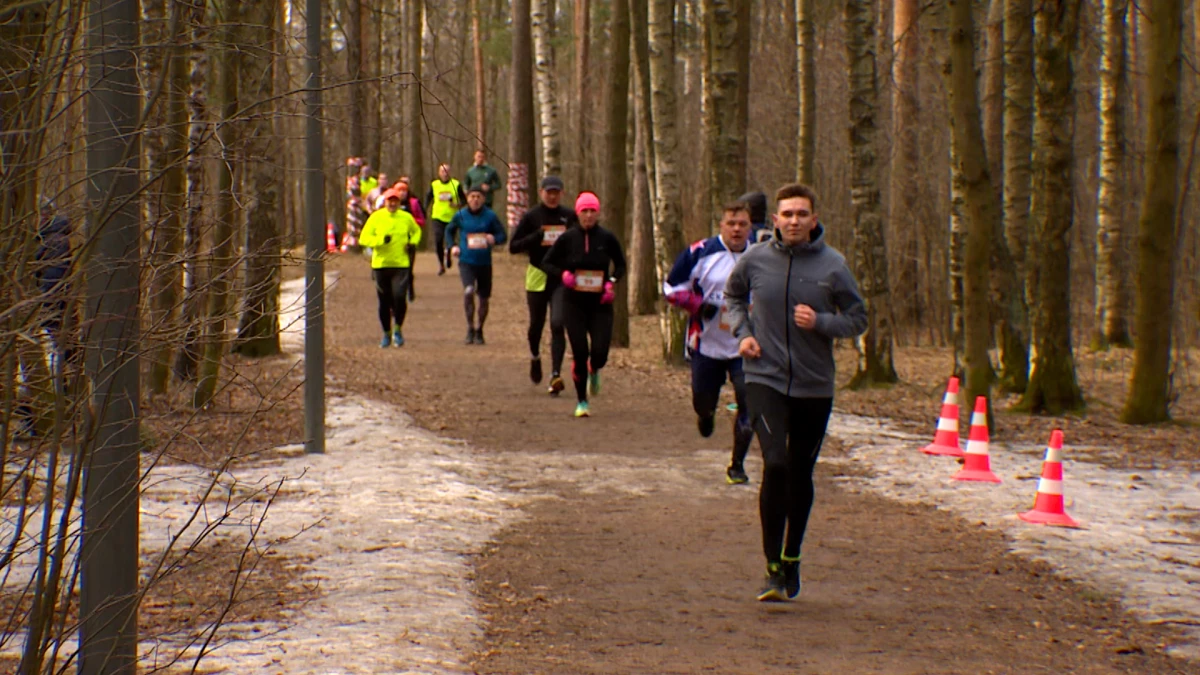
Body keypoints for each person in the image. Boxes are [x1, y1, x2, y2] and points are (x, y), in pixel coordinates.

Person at [724, 183, 867, 602]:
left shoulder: (833, 265)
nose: (793, 221)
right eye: (786, 214)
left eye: (801, 214)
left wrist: (822, 322)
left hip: (813, 384)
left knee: (801, 472)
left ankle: (792, 556)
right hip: (764, 376)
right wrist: (743, 333)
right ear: (775, 220)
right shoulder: (755, 259)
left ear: (814, 220)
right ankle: (771, 568)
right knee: (777, 464)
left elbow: (858, 318)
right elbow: (733, 296)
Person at [664, 201, 755, 485]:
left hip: (746, 346)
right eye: (731, 223)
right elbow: (670, 287)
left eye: (742, 224)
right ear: (721, 225)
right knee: (703, 402)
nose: (737, 229)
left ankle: (737, 465)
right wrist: (697, 305)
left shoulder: (761, 255)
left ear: (750, 226)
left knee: (749, 401)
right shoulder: (700, 252)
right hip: (706, 344)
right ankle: (706, 416)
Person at [541, 191, 626, 418]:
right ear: (578, 213)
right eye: (584, 211)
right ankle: (582, 402)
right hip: (574, 303)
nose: (588, 215)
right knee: (580, 351)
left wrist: (611, 282)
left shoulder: (607, 238)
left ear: (598, 213)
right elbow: (547, 262)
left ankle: (595, 369)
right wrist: (564, 275)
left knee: (599, 353)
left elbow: (620, 265)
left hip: (600, 304)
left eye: (592, 211)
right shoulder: (568, 238)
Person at [509, 175, 578, 393]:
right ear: (541, 193)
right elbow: (513, 246)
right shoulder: (532, 216)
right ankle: (535, 356)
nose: (553, 195)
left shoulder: (569, 216)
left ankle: (556, 375)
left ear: (562, 193)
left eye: (556, 192)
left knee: (558, 323)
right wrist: (536, 237)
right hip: (537, 274)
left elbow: (578, 244)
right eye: (549, 191)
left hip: (560, 277)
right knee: (536, 325)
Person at [359, 189, 422, 347]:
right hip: (381, 264)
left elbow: (417, 231)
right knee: (384, 301)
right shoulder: (376, 217)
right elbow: (364, 238)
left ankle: (398, 329)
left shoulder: (406, 217)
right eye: (389, 201)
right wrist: (380, 240)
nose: (392, 204)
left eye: (395, 201)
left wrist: (412, 242)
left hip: (401, 264)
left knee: (400, 297)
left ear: (399, 203)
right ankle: (386, 333)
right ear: (384, 202)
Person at [447, 186, 507, 345]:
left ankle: (480, 328)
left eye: (478, 196)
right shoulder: (460, 215)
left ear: (483, 199)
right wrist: (452, 246)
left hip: (484, 263)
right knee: (468, 291)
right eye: (472, 196)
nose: (475, 199)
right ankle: (469, 327)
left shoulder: (490, 216)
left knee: (483, 298)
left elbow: (503, 235)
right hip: (466, 261)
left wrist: (494, 238)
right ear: (467, 198)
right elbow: (449, 231)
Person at [388, 180, 425, 301]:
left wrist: (410, 222)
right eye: (399, 190)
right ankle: (397, 293)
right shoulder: (388, 207)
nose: (402, 193)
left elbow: (422, 220)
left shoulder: (414, 203)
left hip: (408, 243)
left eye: (404, 190)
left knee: (408, 268)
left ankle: (410, 289)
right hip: (392, 243)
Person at [426, 163, 465, 275]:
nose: (445, 173)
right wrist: (424, 210)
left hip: (452, 218)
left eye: (447, 171)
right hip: (437, 217)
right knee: (438, 240)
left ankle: (448, 254)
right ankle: (441, 265)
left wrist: (457, 204)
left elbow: (464, 200)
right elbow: (428, 198)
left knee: (450, 240)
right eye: (442, 171)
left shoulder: (456, 184)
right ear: (439, 173)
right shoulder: (434, 184)